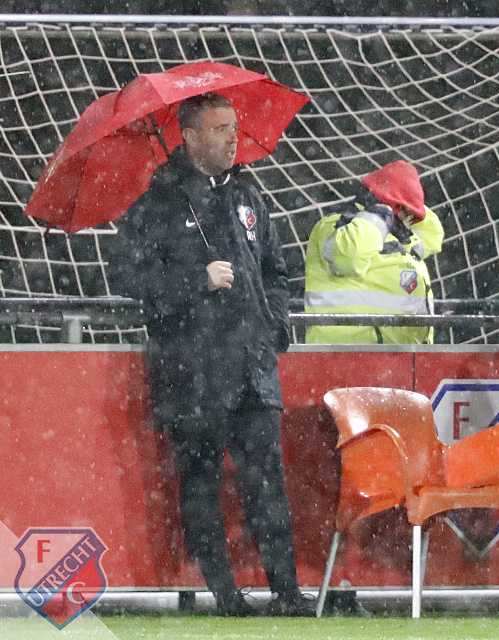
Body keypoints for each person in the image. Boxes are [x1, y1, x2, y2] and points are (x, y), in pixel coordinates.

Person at [110, 93, 312, 617]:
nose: (232, 138)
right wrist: (195, 280)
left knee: (267, 483)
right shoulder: (157, 201)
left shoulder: (248, 193)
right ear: (191, 136)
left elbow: (275, 271)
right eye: (221, 129)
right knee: (200, 484)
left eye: (235, 128)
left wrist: (275, 327)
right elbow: (128, 277)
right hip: (192, 370)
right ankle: (225, 596)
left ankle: (287, 593)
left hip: (252, 369)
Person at [303, 160, 444, 344]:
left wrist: (408, 201)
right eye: (404, 211)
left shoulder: (401, 237)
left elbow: (433, 233)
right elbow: (349, 257)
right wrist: (379, 214)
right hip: (345, 354)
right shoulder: (336, 226)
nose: (408, 218)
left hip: (404, 354)